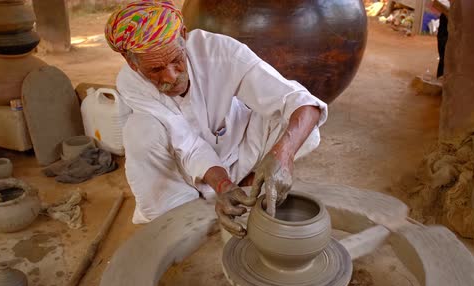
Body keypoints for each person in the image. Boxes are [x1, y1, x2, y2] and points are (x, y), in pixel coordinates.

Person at [105, 1, 327, 237]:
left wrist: (283, 155)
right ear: (132, 63)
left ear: (183, 35)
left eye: (176, 61)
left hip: (237, 149)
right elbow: (187, 145)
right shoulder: (131, 84)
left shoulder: (221, 52)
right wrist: (222, 185)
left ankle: (247, 189)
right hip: (180, 168)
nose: (170, 76)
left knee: (302, 130)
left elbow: (301, 101)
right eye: (155, 70)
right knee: (139, 131)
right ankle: (178, 216)